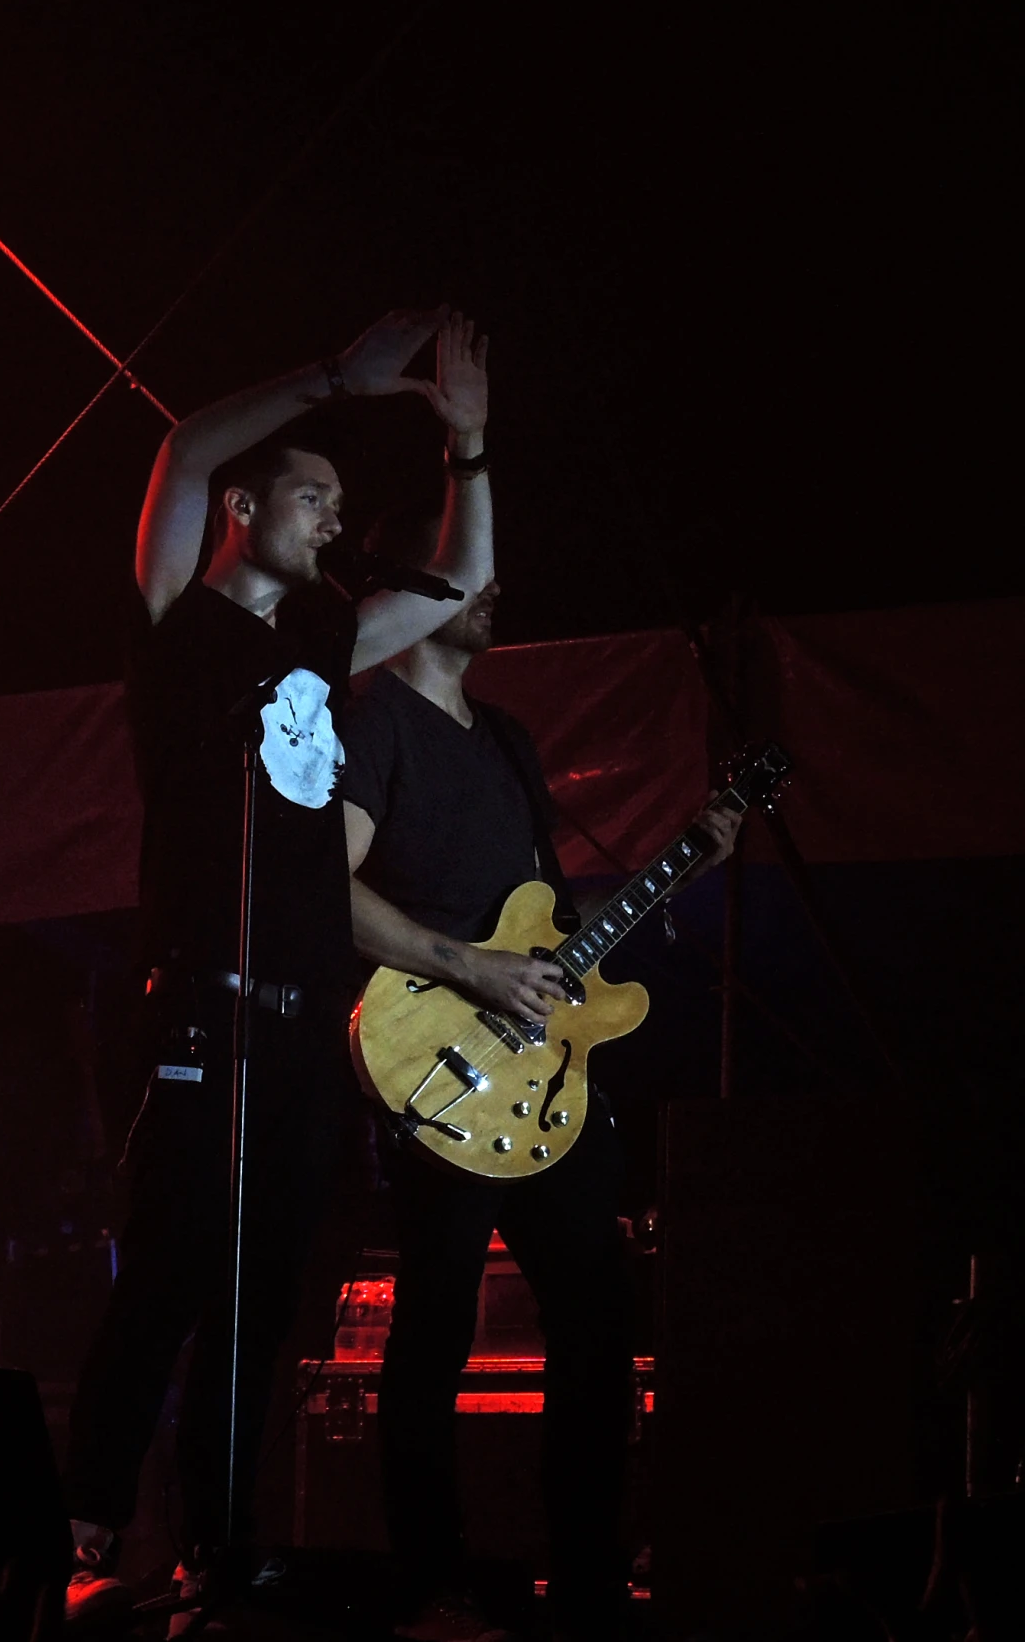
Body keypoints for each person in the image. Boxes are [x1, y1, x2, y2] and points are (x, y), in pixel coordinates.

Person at [64, 309, 495, 1632]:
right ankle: (81, 1537)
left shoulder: (318, 639)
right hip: (199, 1004)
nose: (328, 515)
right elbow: (183, 450)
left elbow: (460, 583)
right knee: (168, 1282)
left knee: (261, 1303)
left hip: (305, 1028)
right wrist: (335, 383)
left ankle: (223, 1549)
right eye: (310, 494)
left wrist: (468, 452)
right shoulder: (176, 625)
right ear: (249, 508)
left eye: (338, 501)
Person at [339, 531, 740, 1641]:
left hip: (540, 1083)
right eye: (472, 581)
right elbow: (324, 891)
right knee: (431, 1333)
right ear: (411, 603)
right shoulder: (371, 724)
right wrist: (462, 966)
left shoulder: (508, 740)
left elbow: (546, 925)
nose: (497, 595)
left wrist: (680, 866)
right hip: (432, 1054)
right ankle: (433, 1579)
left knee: (599, 1323)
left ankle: (588, 1572)